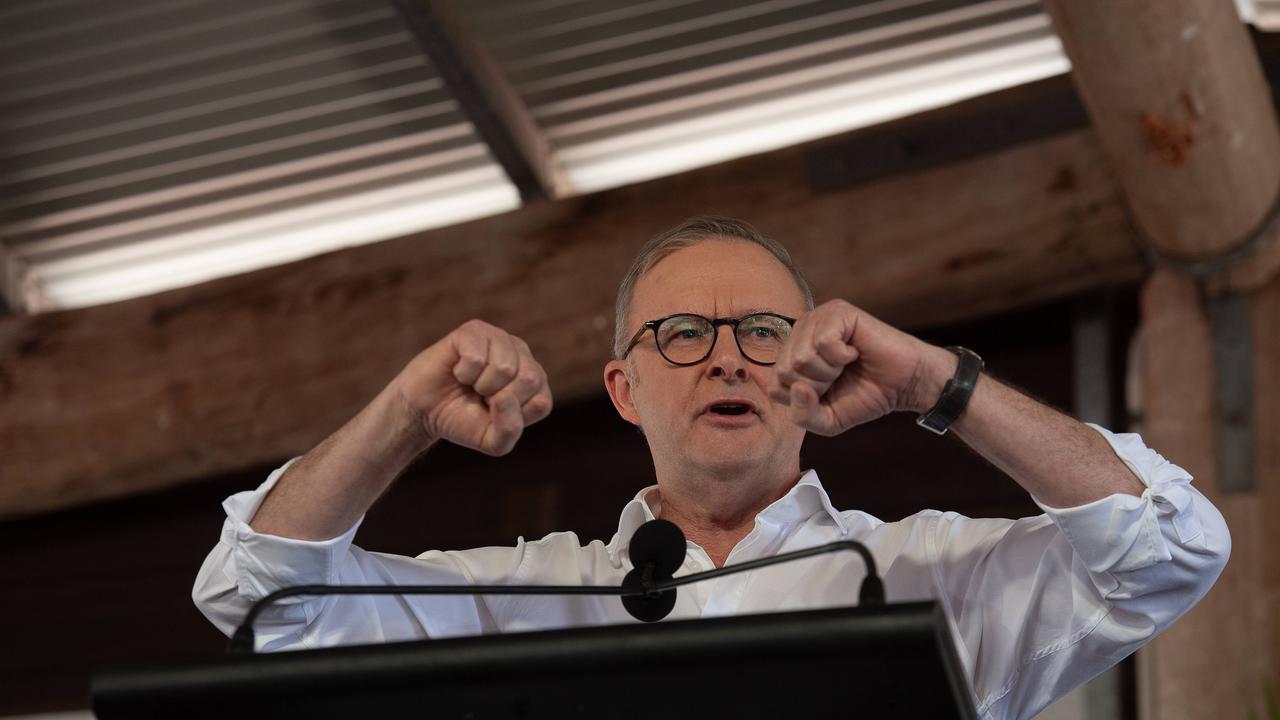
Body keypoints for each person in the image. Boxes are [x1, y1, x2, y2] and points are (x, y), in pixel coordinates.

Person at [194, 216, 1229, 719]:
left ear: (813, 367)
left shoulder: (922, 576)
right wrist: (405, 415)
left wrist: (938, 387)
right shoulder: (522, 596)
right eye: (681, 332)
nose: (727, 355)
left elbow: (1168, 550)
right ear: (623, 388)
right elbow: (260, 597)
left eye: (762, 330)